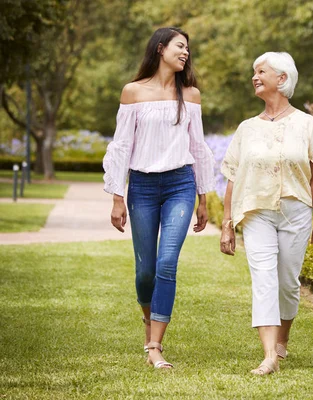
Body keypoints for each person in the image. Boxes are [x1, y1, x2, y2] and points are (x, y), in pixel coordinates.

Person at [102, 27, 215, 369]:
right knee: (145, 272)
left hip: (180, 184)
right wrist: (117, 196)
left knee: (167, 263)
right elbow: (121, 146)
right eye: (180, 46)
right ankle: (149, 323)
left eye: (188, 49)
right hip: (143, 188)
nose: (186, 53)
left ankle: (154, 345)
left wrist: (203, 197)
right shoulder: (133, 92)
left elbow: (198, 147)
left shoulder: (191, 95)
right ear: (161, 48)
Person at [220, 52, 313, 375]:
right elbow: (232, 176)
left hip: (296, 212)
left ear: (282, 79)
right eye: (253, 72)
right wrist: (227, 224)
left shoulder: (306, 124)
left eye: (261, 71)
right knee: (264, 279)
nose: (254, 77)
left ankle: (282, 341)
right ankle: (269, 355)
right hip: (256, 213)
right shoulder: (246, 129)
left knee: (286, 282)